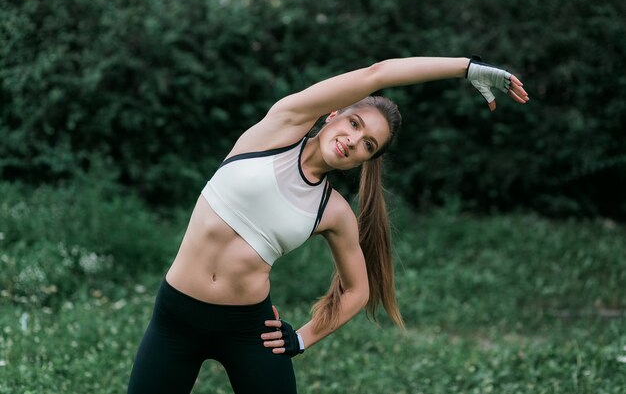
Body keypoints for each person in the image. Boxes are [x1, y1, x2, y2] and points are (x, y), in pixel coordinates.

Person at [127, 56, 529, 394]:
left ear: (365, 161)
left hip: (248, 330)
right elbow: (378, 74)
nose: (354, 140)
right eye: (355, 124)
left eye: (368, 145)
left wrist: (301, 338)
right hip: (176, 316)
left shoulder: (332, 211)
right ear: (334, 113)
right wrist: (465, 68)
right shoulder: (280, 127)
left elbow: (359, 289)